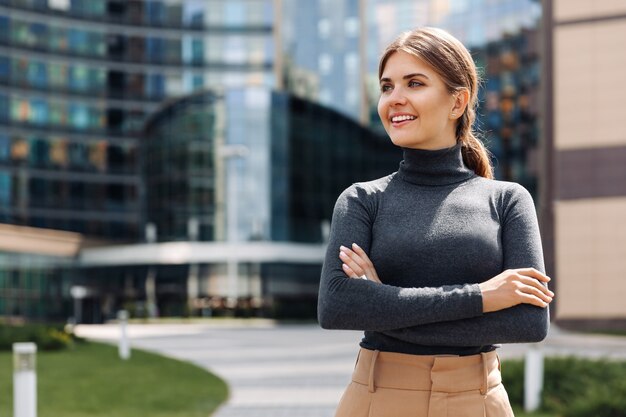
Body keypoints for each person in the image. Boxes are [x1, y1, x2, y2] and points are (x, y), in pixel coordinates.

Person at [317, 27, 554, 417]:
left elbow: (528, 322)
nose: (396, 99)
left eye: (414, 83)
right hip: (377, 400)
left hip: (477, 401)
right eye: (387, 86)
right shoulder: (361, 200)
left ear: (457, 101)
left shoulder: (508, 200)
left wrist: (384, 303)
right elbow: (338, 307)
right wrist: (482, 297)